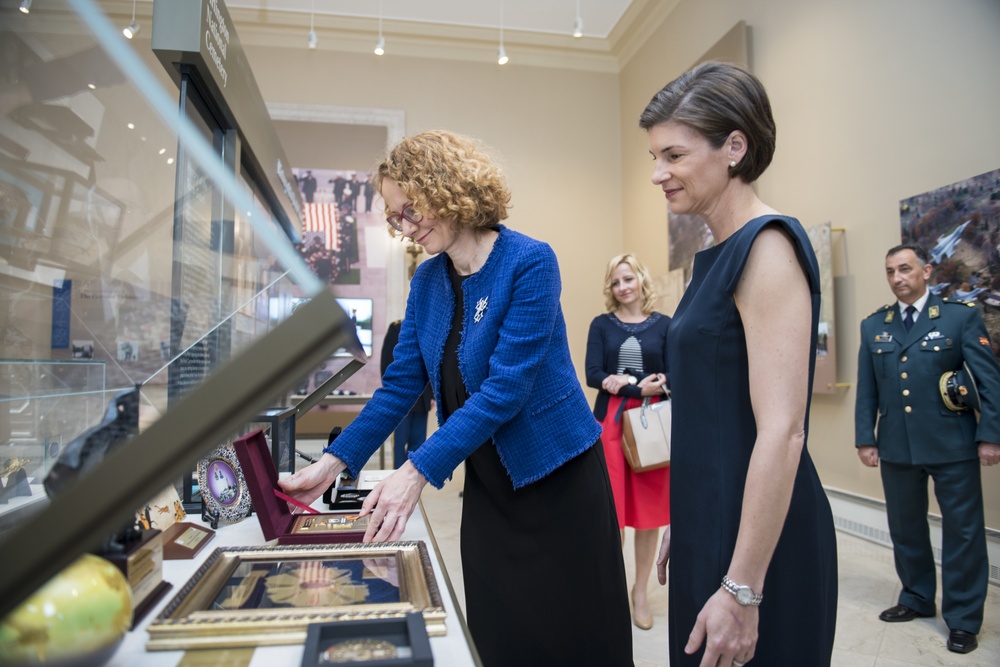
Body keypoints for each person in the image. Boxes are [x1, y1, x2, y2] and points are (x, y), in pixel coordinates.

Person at [281, 130, 633, 666]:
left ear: (449, 189)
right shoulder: (428, 283)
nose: (404, 225)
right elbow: (401, 387)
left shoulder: (530, 262)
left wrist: (414, 471)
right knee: (500, 637)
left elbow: (503, 392)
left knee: (579, 639)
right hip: (492, 491)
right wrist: (333, 462)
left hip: (559, 484)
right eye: (395, 216)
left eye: (410, 208)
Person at [639, 61, 838, 666]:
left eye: (672, 155)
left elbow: (781, 431)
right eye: (655, 156)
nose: (657, 174)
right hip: (715, 513)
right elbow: (712, 409)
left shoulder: (768, 246)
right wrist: (688, 513)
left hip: (760, 546)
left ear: (733, 147)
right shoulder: (713, 256)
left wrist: (744, 588)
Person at [855, 243, 1000, 655]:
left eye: (905, 269)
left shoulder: (959, 317)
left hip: (952, 444)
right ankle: (917, 597)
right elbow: (868, 387)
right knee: (906, 528)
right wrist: (866, 437)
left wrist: (991, 435)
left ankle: (964, 618)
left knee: (964, 532)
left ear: (926, 271)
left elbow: (989, 382)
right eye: (890, 272)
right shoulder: (875, 326)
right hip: (897, 446)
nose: (898, 278)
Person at [585, 253, 670, 631]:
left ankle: (640, 592)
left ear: (641, 280)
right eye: (616, 282)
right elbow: (593, 373)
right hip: (611, 425)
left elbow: (674, 372)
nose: (623, 287)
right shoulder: (601, 325)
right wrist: (634, 384)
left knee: (648, 512)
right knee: (612, 513)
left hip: (651, 425)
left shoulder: (666, 325)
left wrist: (637, 383)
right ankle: (609, 591)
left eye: (628, 279)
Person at [380, 319, 433, 469]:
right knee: (400, 443)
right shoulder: (397, 328)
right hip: (401, 397)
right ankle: (397, 479)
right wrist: (391, 391)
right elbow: (386, 363)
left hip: (423, 398)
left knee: (418, 443)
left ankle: (413, 479)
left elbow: (431, 364)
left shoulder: (427, 327)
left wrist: (433, 395)